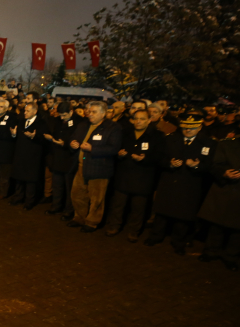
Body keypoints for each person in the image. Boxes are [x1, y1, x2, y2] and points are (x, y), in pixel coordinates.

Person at [145, 112, 216, 255]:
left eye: (192, 128)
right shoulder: (170, 139)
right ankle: (156, 236)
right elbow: (159, 158)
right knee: (162, 212)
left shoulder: (208, 143)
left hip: (190, 183)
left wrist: (197, 166)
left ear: (200, 127)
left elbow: (211, 165)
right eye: (185, 127)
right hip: (170, 180)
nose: (188, 130)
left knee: (183, 215)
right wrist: (169, 163)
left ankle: (179, 241)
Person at [104, 109, 164, 241]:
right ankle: (114, 226)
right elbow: (116, 149)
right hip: (123, 175)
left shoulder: (157, 136)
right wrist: (119, 154)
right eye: (136, 118)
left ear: (149, 120)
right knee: (118, 205)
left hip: (143, 177)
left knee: (138, 207)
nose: (138, 121)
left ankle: (134, 231)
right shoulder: (125, 133)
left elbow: (159, 156)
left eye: (142, 119)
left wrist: (145, 158)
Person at [68, 101, 123, 232]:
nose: (90, 114)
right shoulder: (83, 125)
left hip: (99, 168)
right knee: (77, 194)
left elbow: (114, 148)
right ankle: (79, 218)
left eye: (94, 112)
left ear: (103, 113)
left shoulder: (113, 128)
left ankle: (92, 222)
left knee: (96, 198)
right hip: (81, 166)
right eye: (89, 111)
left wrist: (93, 148)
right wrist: (73, 143)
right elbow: (73, 138)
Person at [197, 136, 240, 271]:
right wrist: (224, 173)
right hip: (226, 189)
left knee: (237, 229)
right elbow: (215, 164)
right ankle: (211, 251)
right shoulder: (227, 144)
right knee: (217, 223)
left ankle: (231, 256)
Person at [9, 101, 48, 209]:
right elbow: (16, 137)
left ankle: (29, 201)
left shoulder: (41, 123)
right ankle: (18, 197)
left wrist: (33, 136)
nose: (25, 112)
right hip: (20, 154)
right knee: (19, 178)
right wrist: (13, 134)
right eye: (24, 110)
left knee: (30, 180)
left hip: (33, 156)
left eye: (27, 111)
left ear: (35, 112)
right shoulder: (21, 121)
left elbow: (44, 139)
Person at [44, 102, 80, 216]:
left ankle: (69, 210)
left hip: (69, 159)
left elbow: (77, 139)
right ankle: (56, 206)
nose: (62, 117)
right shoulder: (58, 120)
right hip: (57, 157)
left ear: (71, 111)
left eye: (64, 115)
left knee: (69, 187)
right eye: (60, 115)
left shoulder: (79, 122)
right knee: (57, 185)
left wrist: (65, 144)